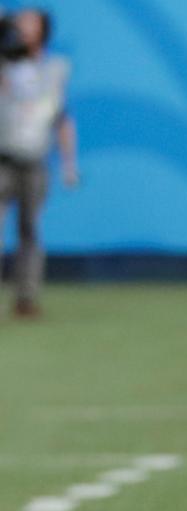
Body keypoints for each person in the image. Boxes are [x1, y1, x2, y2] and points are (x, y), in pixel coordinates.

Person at [0, 7, 75, 320]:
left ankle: (26, 299)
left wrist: (69, 163)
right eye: (20, 24)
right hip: (3, 157)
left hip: (35, 159)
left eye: (30, 24)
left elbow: (60, 117)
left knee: (30, 230)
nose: (24, 29)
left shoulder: (55, 68)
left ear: (43, 29)